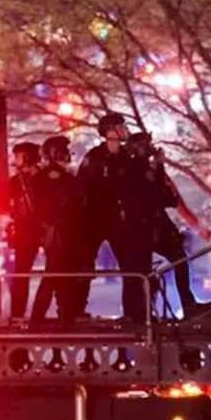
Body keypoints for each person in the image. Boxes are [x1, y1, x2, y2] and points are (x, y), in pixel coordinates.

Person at [123, 133, 211, 319]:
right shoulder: (134, 172)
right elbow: (156, 196)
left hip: (155, 227)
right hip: (145, 229)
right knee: (150, 270)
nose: (150, 148)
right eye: (146, 145)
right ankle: (147, 313)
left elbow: (168, 198)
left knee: (178, 260)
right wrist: (159, 168)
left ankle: (186, 304)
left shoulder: (146, 170)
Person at [77, 114, 137, 321]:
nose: (125, 130)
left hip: (117, 220)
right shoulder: (94, 157)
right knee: (85, 263)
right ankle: (76, 310)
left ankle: (132, 312)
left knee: (130, 265)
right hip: (94, 219)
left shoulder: (127, 157)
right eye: (121, 126)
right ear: (110, 131)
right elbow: (81, 188)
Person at [28, 136, 83, 322]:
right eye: (62, 150)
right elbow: (48, 207)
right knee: (55, 275)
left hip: (67, 233)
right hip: (57, 233)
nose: (67, 155)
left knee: (61, 275)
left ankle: (63, 314)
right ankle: (47, 317)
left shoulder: (63, 177)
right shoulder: (47, 179)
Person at [8, 141, 44, 321]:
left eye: (18, 155)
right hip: (24, 230)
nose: (15, 159)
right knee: (21, 274)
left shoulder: (44, 178)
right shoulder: (15, 181)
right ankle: (17, 314)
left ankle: (39, 314)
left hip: (43, 228)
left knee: (53, 274)